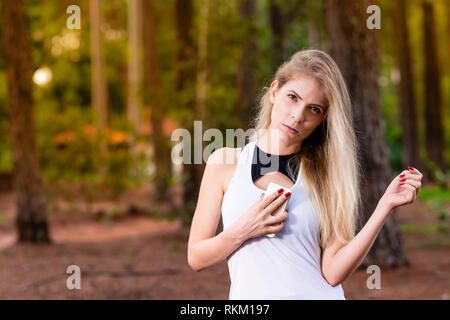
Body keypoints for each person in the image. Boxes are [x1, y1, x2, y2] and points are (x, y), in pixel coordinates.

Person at [187, 49, 423, 299]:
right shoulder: (225, 162)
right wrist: (245, 229)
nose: (297, 116)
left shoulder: (328, 176)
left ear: (323, 119)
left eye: (314, 109)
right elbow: (196, 257)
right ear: (275, 91)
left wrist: (384, 207)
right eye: (293, 97)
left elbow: (333, 272)